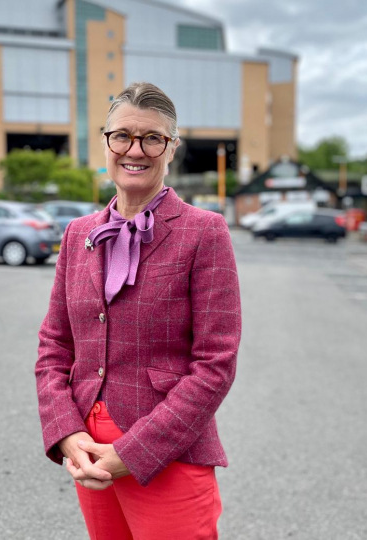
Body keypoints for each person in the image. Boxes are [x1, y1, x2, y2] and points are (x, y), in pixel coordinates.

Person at [35, 82, 242, 539]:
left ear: (172, 148)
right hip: (89, 450)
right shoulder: (77, 233)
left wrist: (134, 451)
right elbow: (54, 344)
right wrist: (67, 432)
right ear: (106, 142)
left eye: (152, 138)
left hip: (167, 450)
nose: (136, 149)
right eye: (122, 135)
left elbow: (215, 364)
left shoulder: (204, 232)